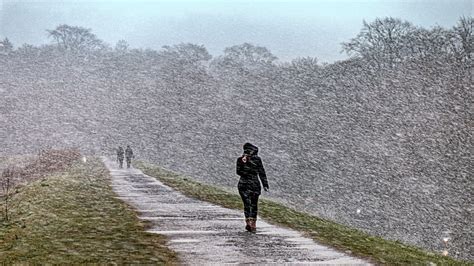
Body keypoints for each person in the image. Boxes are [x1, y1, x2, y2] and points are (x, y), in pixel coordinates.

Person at [236, 142, 269, 232]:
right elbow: (239, 172)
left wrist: (265, 184)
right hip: (246, 184)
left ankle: (252, 223)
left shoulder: (257, 160)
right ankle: (250, 223)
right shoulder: (240, 160)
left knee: (252, 204)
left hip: (251, 184)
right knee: (248, 204)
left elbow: (261, 172)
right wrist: (244, 164)